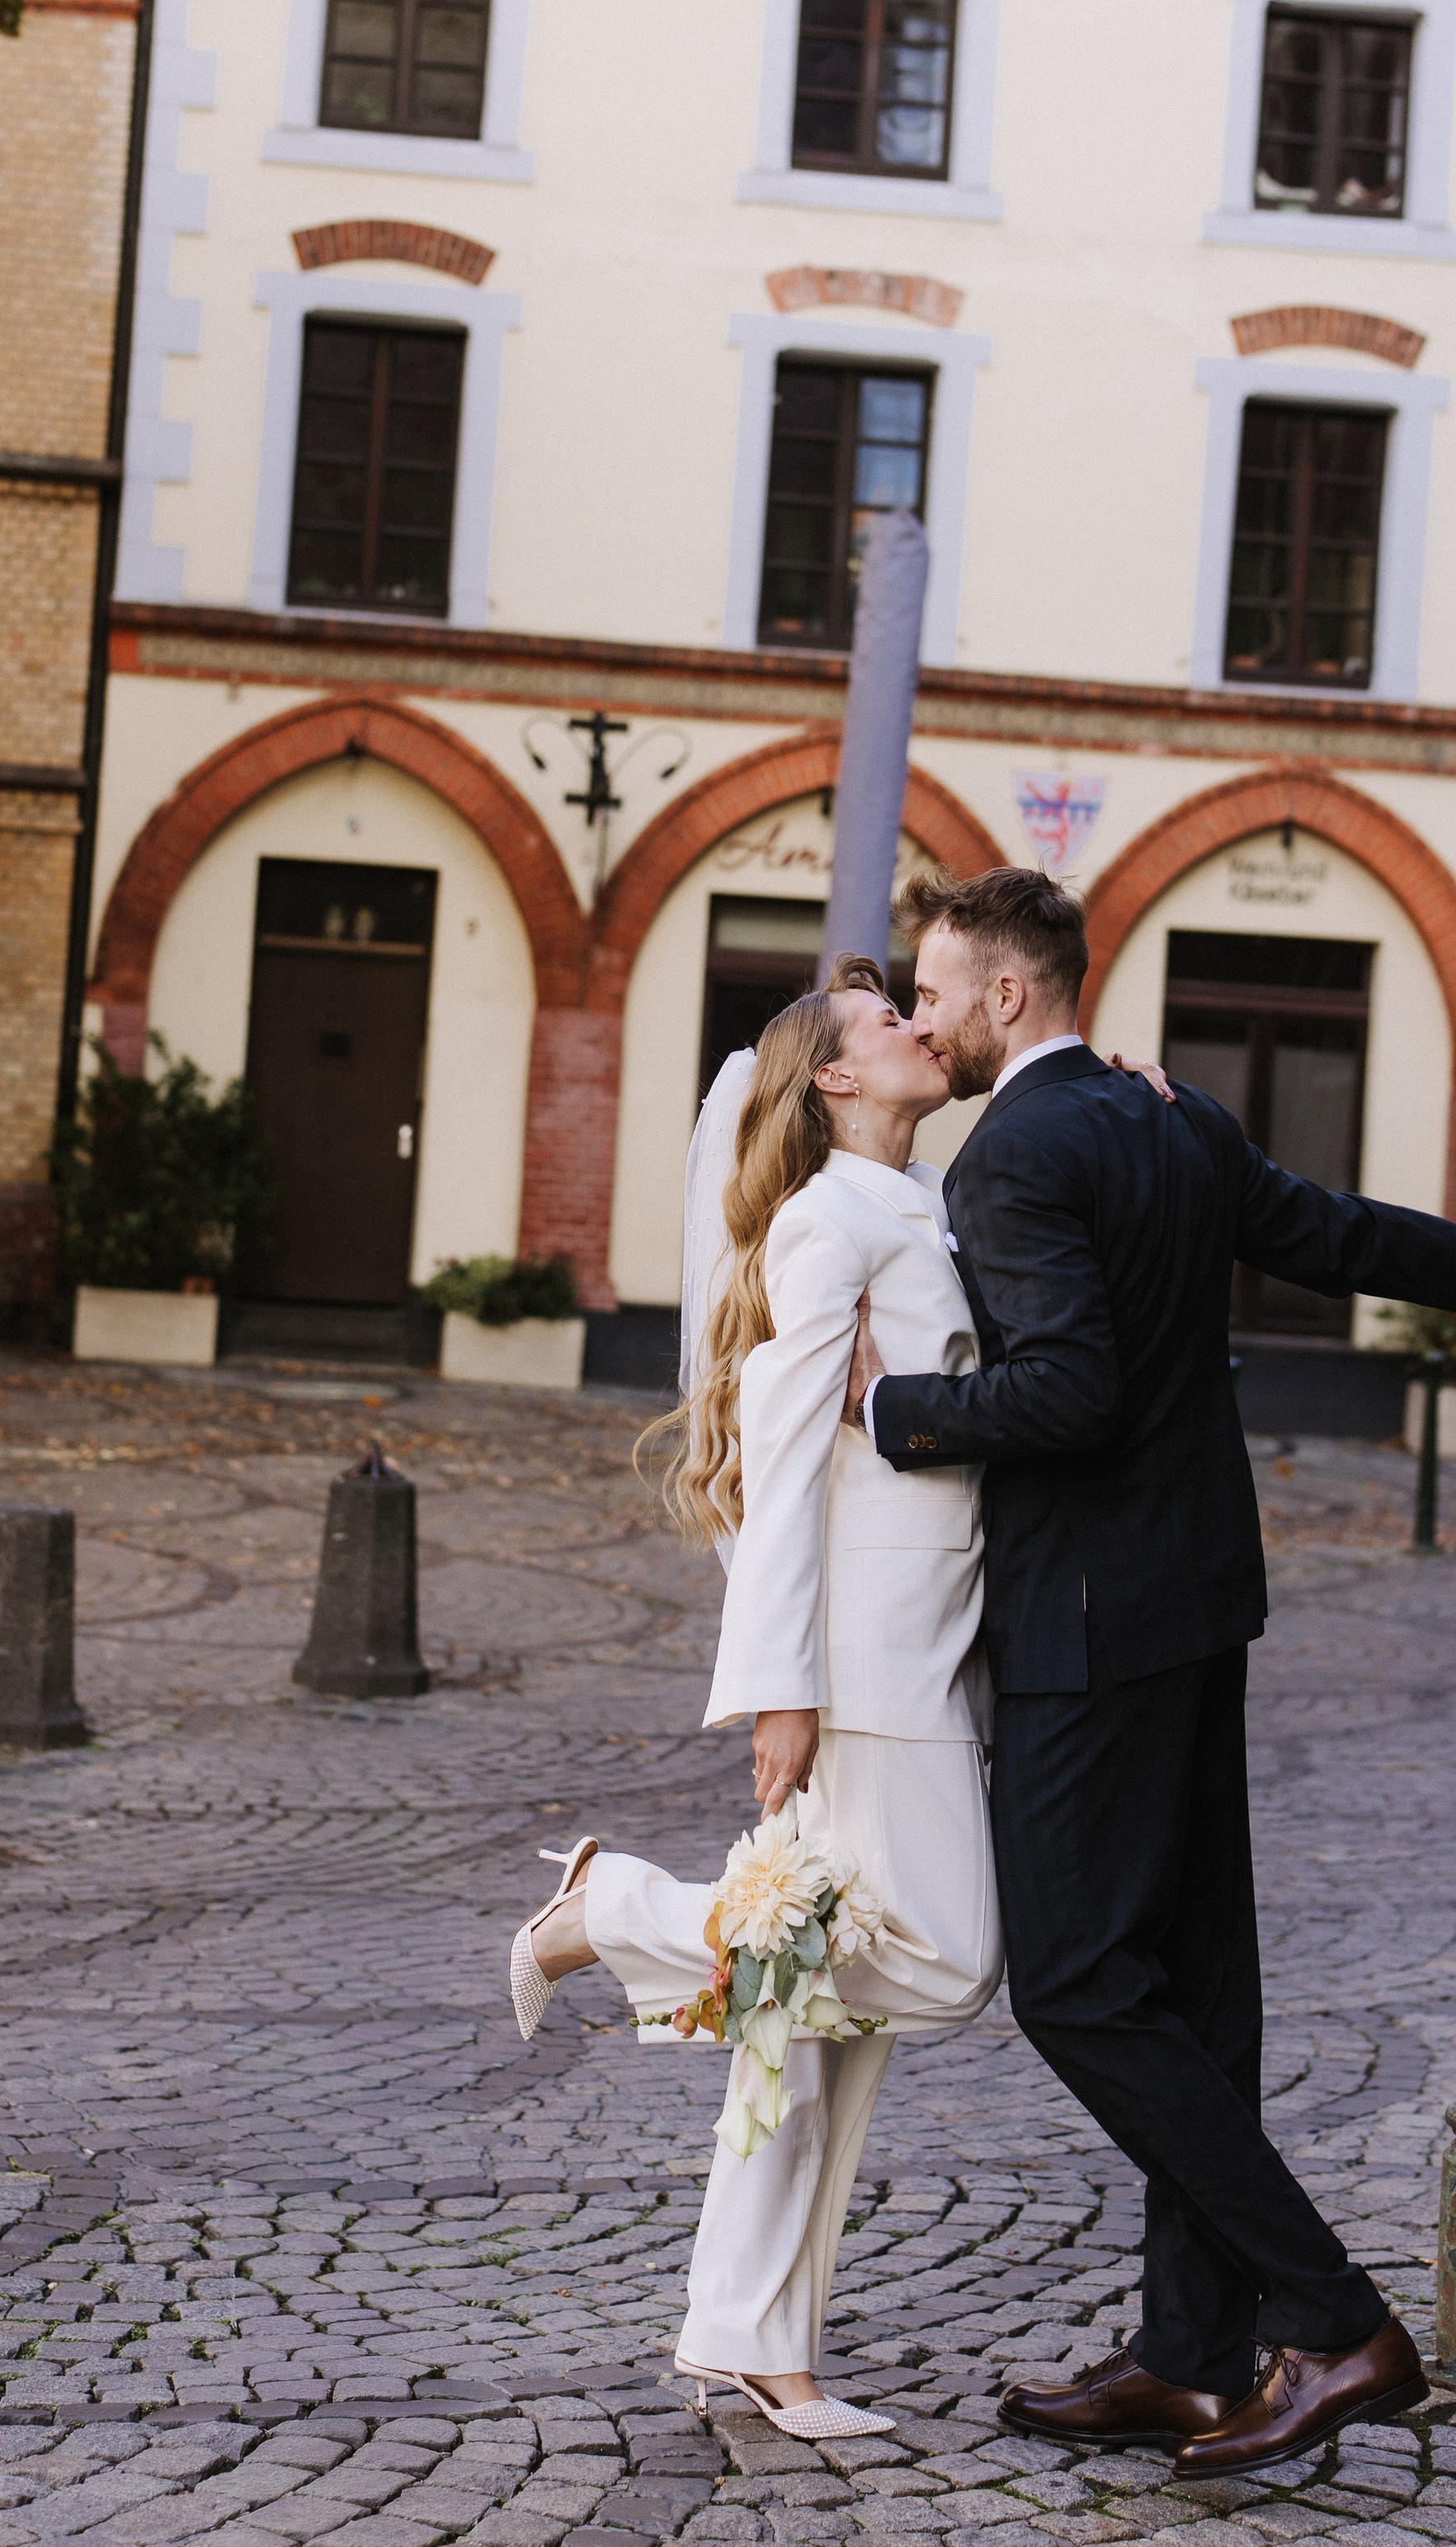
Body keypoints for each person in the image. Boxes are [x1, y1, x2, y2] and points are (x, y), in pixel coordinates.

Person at [845, 865, 1456, 2481]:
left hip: (1084, 1621)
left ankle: (1329, 2318)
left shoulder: (1013, 1151)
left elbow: (1063, 1394)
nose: (920, 1017)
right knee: (1194, 1992)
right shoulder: (1172, 1115)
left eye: (933, 989)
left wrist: (895, 1410)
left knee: (1074, 1984)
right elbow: (1327, 1235)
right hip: (1201, 1601)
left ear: (1007, 994)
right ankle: (1193, 2355)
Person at [506, 956, 1006, 2443]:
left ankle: (752, 2338)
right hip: (864, 1652)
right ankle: (615, 1912)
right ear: (834, 1081)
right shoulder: (822, 1218)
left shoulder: (921, 1201)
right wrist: (780, 1686)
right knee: (947, 1961)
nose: (920, 1025)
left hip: (935, 1628)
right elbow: (783, 1470)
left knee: (809, 2003)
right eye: (884, 1023)